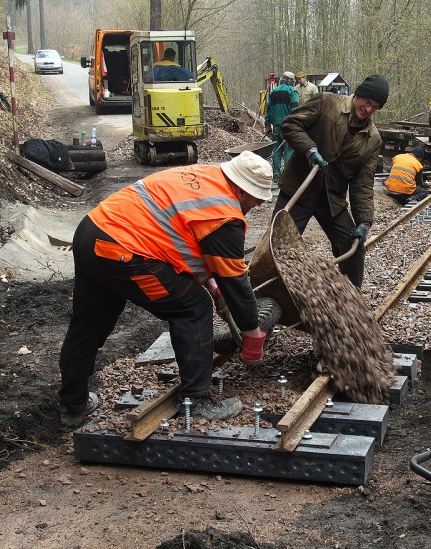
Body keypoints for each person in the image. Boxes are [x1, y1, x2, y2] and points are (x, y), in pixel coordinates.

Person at [57, 151, 273, 428]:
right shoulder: (225, 215)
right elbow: (235, 282)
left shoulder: (206, 175)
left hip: (93, 231)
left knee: (87, 324)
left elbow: (180, 237)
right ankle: (197, 401)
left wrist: (209, 282)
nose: (256, 204)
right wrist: (251, 331)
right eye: (257, 198)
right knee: (193, 307)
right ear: (243, 191)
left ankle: (72, 405)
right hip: (123, 250)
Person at [275, 74, 389, 288]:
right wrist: (309, 149)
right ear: (359, 94)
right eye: (367, 102)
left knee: (353, 248)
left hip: (331, 199)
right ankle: (267, 297)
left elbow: (362, 184)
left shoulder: (372, 139)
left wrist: (364, 221)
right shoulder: (327, 103)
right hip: (299, 188)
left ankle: (352, 301)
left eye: (375, 107)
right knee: (278, 245)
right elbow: (290, 125)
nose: (368, 110)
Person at [264, 71, 300, 183]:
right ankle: (287, 177)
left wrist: (267, 125)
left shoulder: (274, 92)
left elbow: (268, 110)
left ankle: (276, 176)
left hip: (276, 127)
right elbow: (295, 111)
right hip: (288, 126)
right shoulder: (293, 92)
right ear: (292, 81)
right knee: (289, 150)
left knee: (276, 151)